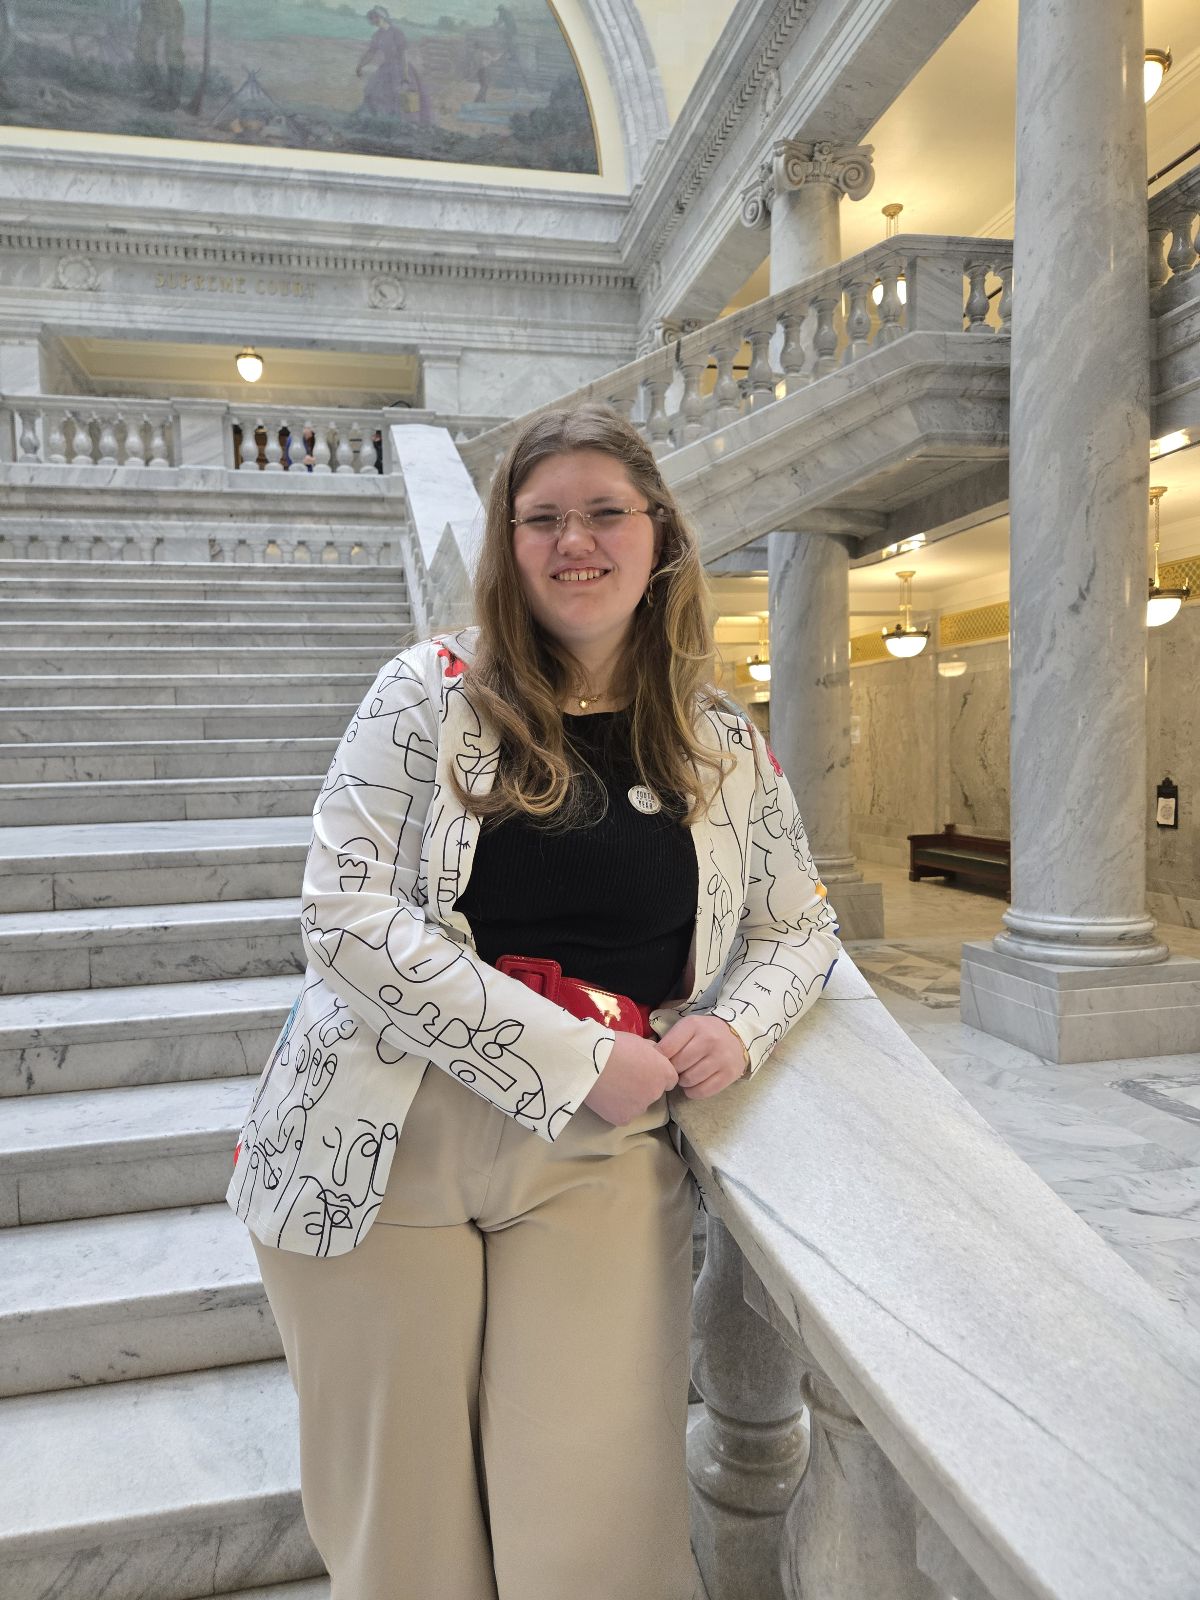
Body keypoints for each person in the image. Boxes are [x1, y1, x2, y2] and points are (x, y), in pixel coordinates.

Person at [227, 403, 841, 1600]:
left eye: (606, 512)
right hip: (378, 1140)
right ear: (507, 545)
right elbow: (342, 913)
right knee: (404, 1539)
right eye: (543, 518)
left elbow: (800, 925)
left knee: (597, 1528)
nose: (576, 542)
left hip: (600, 1156)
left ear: (658, 534)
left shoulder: (718, 736)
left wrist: (737, 1024)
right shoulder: (426, 692)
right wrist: (566, 1053)